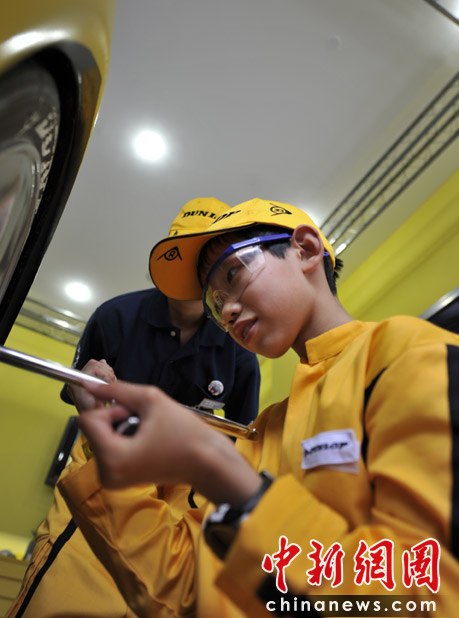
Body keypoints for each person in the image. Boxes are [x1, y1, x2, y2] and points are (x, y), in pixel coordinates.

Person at [56, 198, 459, 618]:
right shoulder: (263, 432)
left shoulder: (407, 353)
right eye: (215, 302)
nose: (227, 310)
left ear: (305, 250)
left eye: (234, 274)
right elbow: (187, 588)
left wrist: (246, 496)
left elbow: (431, 596)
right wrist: (107, 447)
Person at [7, 198, 261, 618]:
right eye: (185, 259)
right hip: (103, 472)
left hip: (184, 493)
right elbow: (79, 393)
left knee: (158, 597)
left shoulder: (239, 353)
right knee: (64, 594)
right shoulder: (115, 317)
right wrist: (88, 383)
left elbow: (242, 440)